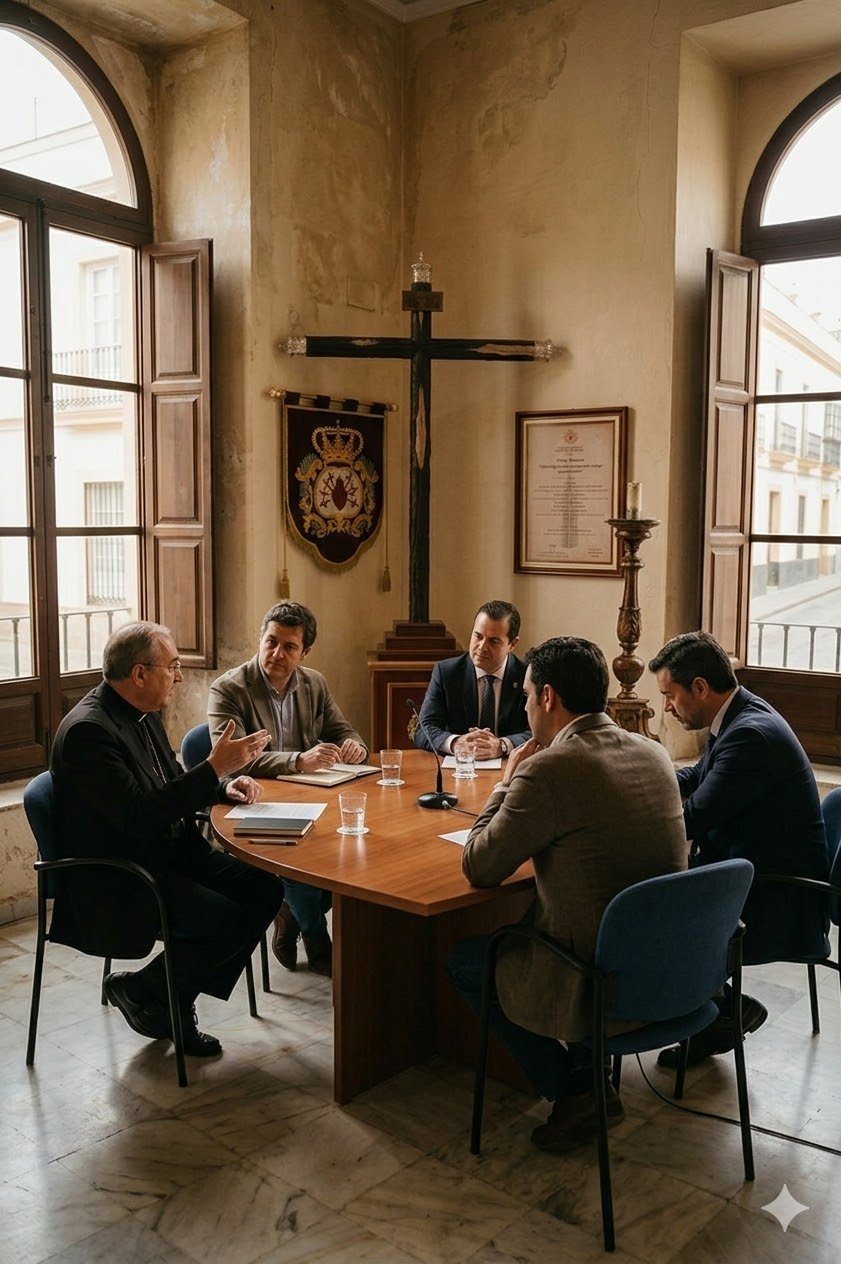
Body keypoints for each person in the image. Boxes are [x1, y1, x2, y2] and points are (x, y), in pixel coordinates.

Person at [448, 637, 687, 1153]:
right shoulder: (653, 751)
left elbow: (479, 866)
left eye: (528, 695)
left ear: (549, 697)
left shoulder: (547, 769)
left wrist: (504, 784)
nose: (525, 705)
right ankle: (586, 1065)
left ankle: (577, 1090)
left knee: (467, 961)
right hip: (670, 965)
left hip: (594, 979)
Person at [50, 621, 284, 1058]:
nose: (179, 677)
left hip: (169, 853)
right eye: (172, 667)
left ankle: (150, 991)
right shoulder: (89, 732)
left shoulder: (142, 711)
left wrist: (221, 787)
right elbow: (138, 817)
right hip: (122, 875)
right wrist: (213, 768)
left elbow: (170, 781)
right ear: (139, 674)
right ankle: (169, 1000)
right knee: (223, 919)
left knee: (266, 888)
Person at [649, 630, 830, 1068]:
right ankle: (716, 1010)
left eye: (670, 696)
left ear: (700, 688)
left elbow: (693, 818)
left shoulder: (751, 735)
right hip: (758, 870)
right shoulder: (737, 714)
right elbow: (697, 779)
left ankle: (721, 1011)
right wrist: (641, 777)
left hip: (779, 898)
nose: (666, 709)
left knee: (648, 911)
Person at [208, 601, 368, 977]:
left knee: (352, 847)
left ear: (305, 652)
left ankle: (289, 910)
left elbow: (342, 729)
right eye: (271, 642)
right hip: (252, 802)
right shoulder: (229, 689)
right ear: (260, 639)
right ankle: (315, 935)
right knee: (296, 859)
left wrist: (354, 745)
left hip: (311, 799)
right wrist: (298, 760)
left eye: (289, 647)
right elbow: (232, 761)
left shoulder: (314, 682)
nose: (277, 654)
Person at [414, 600, 530, 759]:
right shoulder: (447, 672)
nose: (482, 647)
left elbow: (541, 733)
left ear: (512, 644)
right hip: (459, 769)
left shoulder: (527, 676)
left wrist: (502, 745)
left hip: (510, 770)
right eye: (478, 636)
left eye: (493, 641)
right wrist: (456, 743)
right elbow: (423, 729)